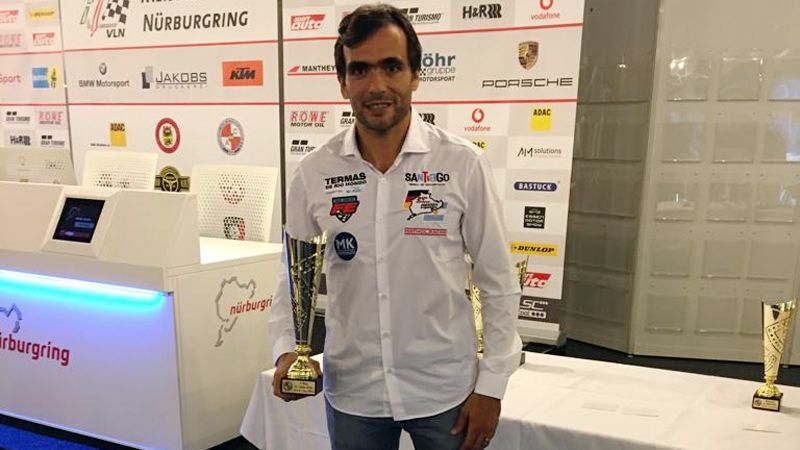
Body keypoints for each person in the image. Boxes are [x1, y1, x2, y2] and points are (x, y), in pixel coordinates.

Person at [270, 4, 522, 450]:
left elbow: (497, 280)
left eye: (391, 66)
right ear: (342, 81)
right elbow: (293, 277)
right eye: (360, 70)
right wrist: (288, 350)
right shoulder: (314, 172)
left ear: (415, 75)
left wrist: (493, 384)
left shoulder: (462, 163)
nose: (376, 85)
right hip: (354, 392)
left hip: (444, 390)